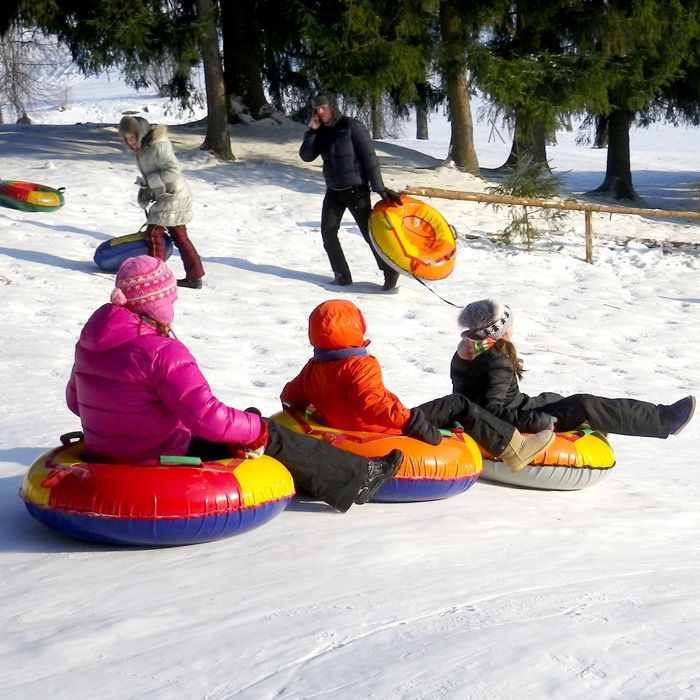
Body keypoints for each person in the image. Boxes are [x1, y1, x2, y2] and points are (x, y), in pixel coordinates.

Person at [66, 256, 402, 512]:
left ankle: (310, 472)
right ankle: (358, 478)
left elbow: (75, 402)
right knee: (269, 432)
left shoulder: (93, 338)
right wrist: (256, 430)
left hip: (106, 450)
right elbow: (205, 417)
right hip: (160, 455)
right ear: (157, 302)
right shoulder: (160, 349)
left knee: (247, 420)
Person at [280, 300, 555, 473]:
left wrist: (314, 416)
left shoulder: (314, 367)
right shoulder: (357, 364)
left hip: (363, 423)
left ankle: (505, 439)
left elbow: (290, 397)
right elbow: (373, 404)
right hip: (381, 428)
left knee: (452, 406)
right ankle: (516, 449)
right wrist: (411, 420)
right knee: (458, 404)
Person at [450, 298, 696, 438]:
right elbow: (491, 412)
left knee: (554, 398)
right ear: (501, 331)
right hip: (516, 417)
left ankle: (605, 420)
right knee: (585, 404)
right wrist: (536, 421)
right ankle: (664, 420)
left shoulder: (465, 352)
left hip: (517, 406)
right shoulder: (496, 360)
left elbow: (476, 399)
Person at [299, 91, 402, 292]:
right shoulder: (320, 131)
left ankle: (389, 271)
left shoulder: (352, 127)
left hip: (356, 189)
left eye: (323, 107)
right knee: (328, 232)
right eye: (317, 109)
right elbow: (306, 156)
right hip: (334, 190)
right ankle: (342, 276)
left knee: (369, 234)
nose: (320, 112)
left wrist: (379, 188)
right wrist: (311, 132)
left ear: (332, 106)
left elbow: (370, 159)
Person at [118, 116, 205, 290]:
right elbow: (154, 176)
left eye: (132, 137)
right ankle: (194, 276)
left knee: (153, 233)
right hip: (167, 195)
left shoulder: (159, 145)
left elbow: (173, 171)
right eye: (126, 139)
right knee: (180, 237)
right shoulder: (142, 149)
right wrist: (146, 191)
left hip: (174, 195)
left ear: (140, 133)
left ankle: (155, 276)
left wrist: (150, 182)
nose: (130, 142)